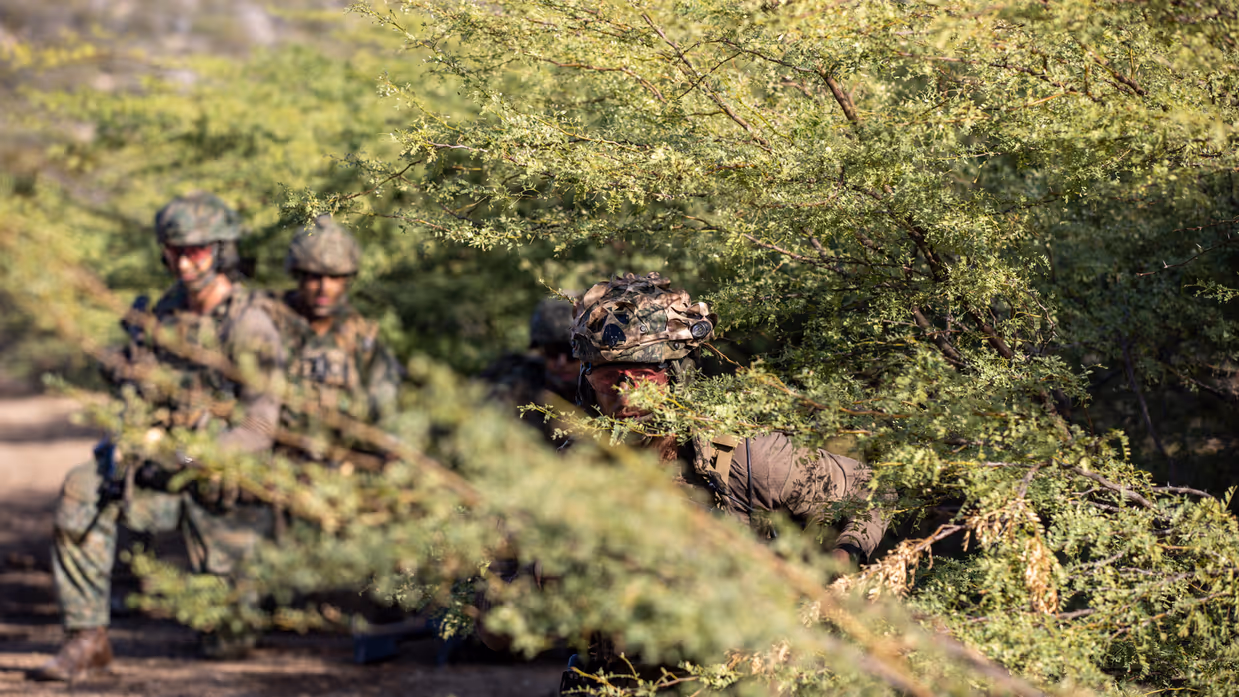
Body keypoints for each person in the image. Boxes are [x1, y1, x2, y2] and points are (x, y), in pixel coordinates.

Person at [33, 192, 286, 682]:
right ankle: (87, 638)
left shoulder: (250, 324)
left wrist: (198, 455)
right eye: (175, 250)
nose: (186, 261)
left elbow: (260, 426)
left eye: (198, 250)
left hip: (220, 482)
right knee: (81, 488)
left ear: (223, 251)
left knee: (228, 643)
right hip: (156, 467)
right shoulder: (160, 316)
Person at [570, 272, 889, 567]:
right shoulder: (569, 472)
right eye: (609, 379)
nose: (627, 395)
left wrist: (841, 558)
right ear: (588, 386)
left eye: (644, 378)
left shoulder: (742, 456)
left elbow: (871, 488)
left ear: (678, 378)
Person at [273, 215, 402, 460]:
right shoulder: (267, 322)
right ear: (298, 275)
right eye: (314, 276)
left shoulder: (362, 339)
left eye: (334, 278)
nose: (324, 288)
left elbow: (386, 416)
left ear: (347, 279)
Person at [479, 295, 580, 443]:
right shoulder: (521, 383)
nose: (561, 362)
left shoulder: (612, 388)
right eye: (552, 350)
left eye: (572, 351)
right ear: (541, 351)